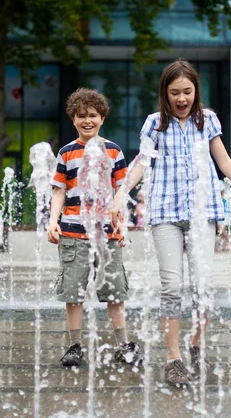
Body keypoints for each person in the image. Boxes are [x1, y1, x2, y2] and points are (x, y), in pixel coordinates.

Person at [114, 58, 231, 387]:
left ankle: (196, 347)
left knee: (203, 287)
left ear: (195, 91)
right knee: (172, 287)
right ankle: (173, 357)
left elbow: (224, 161)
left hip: (203, 213)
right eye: (174, 92)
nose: (181, 99)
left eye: (187, 92)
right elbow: (142, 162)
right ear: (165, 93)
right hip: (164, 215)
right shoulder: (154, 124)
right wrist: (121, 193)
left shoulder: (209, 121)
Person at [48, 88, 142, 368]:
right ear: (73, 119)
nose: (87, 120)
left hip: (107, 235)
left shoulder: (113, 151)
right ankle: (75, 346)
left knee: (115, 291)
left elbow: (121, 191)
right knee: (73, 293)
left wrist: (123, 226)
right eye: (81, 116)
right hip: (73, 234)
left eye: (92, 115)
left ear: (102, 118)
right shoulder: (66, 153)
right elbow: (59, 192)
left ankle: (123, 344)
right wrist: (53, 221)